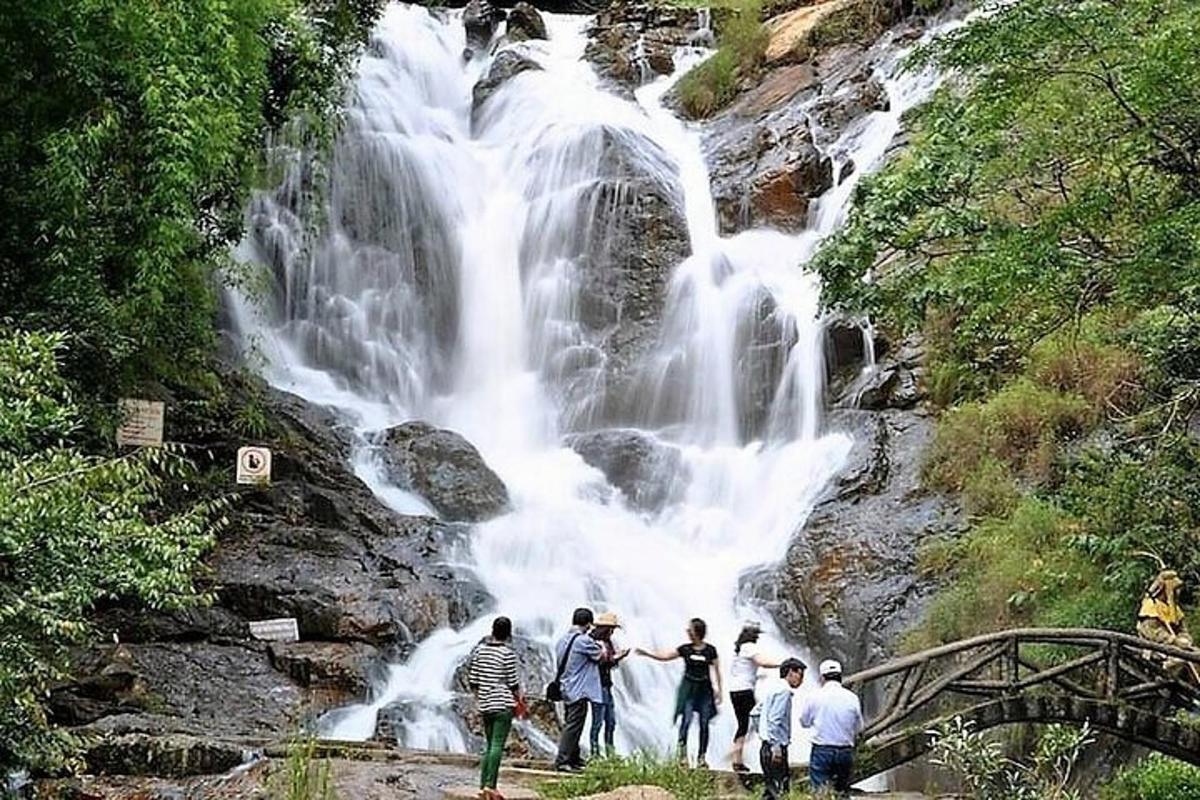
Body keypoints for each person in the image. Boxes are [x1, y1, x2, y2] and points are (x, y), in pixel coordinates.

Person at [637, 617, 723, 768]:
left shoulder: (710, 650)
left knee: (704, 724)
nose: (688, 632)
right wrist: (648, 654)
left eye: (690, 630)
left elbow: (717, 670)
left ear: (697, 632)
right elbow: (666, 657)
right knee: (686, 722)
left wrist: (719, 691)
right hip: (689, 689)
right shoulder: (685, 649)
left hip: (705, 691)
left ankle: (701, 758)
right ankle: (682, 757)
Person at [467, 616, 524, 800]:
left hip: (485, 704)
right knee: (497, 745)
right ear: (508, 634)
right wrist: (519, 700)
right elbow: (513, 683)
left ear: (492, 630)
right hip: (502, 704)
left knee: (489, 744)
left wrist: (479, 699)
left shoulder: (479, 652)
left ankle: (483, 785)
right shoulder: (507, 654)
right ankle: (491, 786)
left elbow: (473, 680)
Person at [799, 659, 864, 796]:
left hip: (822, 750)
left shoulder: (814, 696)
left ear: (822, 678)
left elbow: (804, 722)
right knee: (842, 790)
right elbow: (859, 728)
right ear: (840, 676)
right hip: (845, 750)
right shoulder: (852, 697)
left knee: (821, 792)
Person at [554, 607, 605, 772]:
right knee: (574, 725)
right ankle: (563, 760)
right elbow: (600, 655)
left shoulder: (562, 639)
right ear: (589, 624)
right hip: (579, 689)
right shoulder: (584, 641)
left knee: (572, 722)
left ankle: (574, 758)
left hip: (566, 687)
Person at [728, 621, 782, 772]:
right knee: (758, 720)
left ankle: (737, 759)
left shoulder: (738, 651)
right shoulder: (749, 647)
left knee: (744, 724)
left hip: (735, 691)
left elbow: (741, 672)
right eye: (757, 635)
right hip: (745, 691)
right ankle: (736, 753)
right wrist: (781, 664)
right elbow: (762, 662)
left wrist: (757, 678)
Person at [1137, 568, 1200, 680]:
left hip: (1178, 646)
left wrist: (1185, 639)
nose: (1178, 592)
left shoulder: (1174, 609)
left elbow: (1182, 629)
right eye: (1176, 589)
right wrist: (1173, 640)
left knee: (1196, 655)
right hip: (1157, 649)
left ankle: (1194, 688)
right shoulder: (1151, 606)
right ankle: (1166, 682)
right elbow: (1151, 632)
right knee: (1179, 660)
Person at [758, 658, 806, 800]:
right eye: (800, 675)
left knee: (770, 791)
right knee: (780, 791)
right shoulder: (784, 691)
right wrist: (776, 746)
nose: (802, 680)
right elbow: (774, 720)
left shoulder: (772, 688)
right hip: (775, 749)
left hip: (766, 746)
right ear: (791, 672)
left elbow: (755, 713)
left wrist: (762, 734)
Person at [589, 611, 630, 758]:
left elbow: (609, 662)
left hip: (606, 684)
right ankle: (595, 753)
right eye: (610, 629)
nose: (612, 632)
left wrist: (617, 658)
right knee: (597, 721)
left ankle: (610, 752)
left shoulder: (608, 642)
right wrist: (616, 657)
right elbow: (600, 661)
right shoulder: (592, 642)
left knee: (611, 721)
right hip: (596, 686)